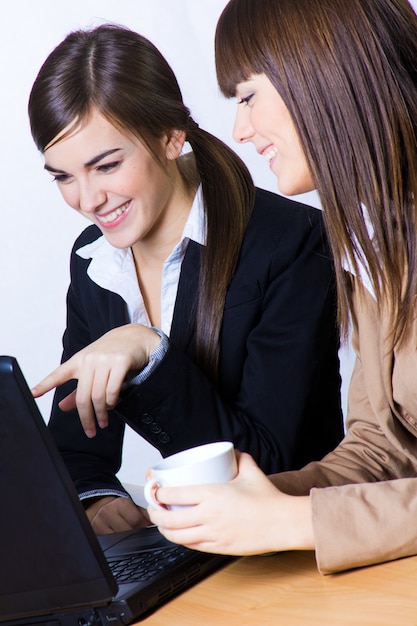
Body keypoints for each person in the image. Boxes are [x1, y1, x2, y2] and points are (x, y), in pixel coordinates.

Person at [28, 24, 343, 535]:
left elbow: (268, 462)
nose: (86, 201)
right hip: (192, 544)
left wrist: (148, 350)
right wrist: (99, 503)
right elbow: (76, 446)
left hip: (295, 544)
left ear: (171, 138)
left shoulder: (292, 243)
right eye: (63, 176)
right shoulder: (93, 260)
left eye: (106, 165)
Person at [145, 0, 417, 576]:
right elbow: (383, 449)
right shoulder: (374, 247)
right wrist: (257, 500)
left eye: (247, 96)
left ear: (319, 71)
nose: (240, 131)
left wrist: (293, 523)